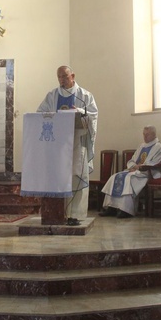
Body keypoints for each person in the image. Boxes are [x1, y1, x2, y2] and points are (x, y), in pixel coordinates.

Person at [37, 66, 98, 226]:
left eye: (64, 76)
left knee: (76, 176)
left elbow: (93, 115)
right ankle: (57, 213)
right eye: (59, 77)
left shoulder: (85, 96)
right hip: (58, 145)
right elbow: (40, 112)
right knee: (59, 177)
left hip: (78, 143)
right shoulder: (52, 95)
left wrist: (78, 111)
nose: (62, 80)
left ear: (73, 75)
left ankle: (75, 215)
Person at [99, 125, 161, 219]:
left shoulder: (159, 147)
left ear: (154, 134)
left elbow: (155, 163)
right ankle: (111, 208)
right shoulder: (142, 146)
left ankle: (125, 210)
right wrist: (133, 166)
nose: (145, 136)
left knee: (128, 179)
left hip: (147, 174)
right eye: (144, 134)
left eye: (147, 134)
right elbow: (132, 160)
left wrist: (139, 167)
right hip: (136, 171)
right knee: (115, 176)